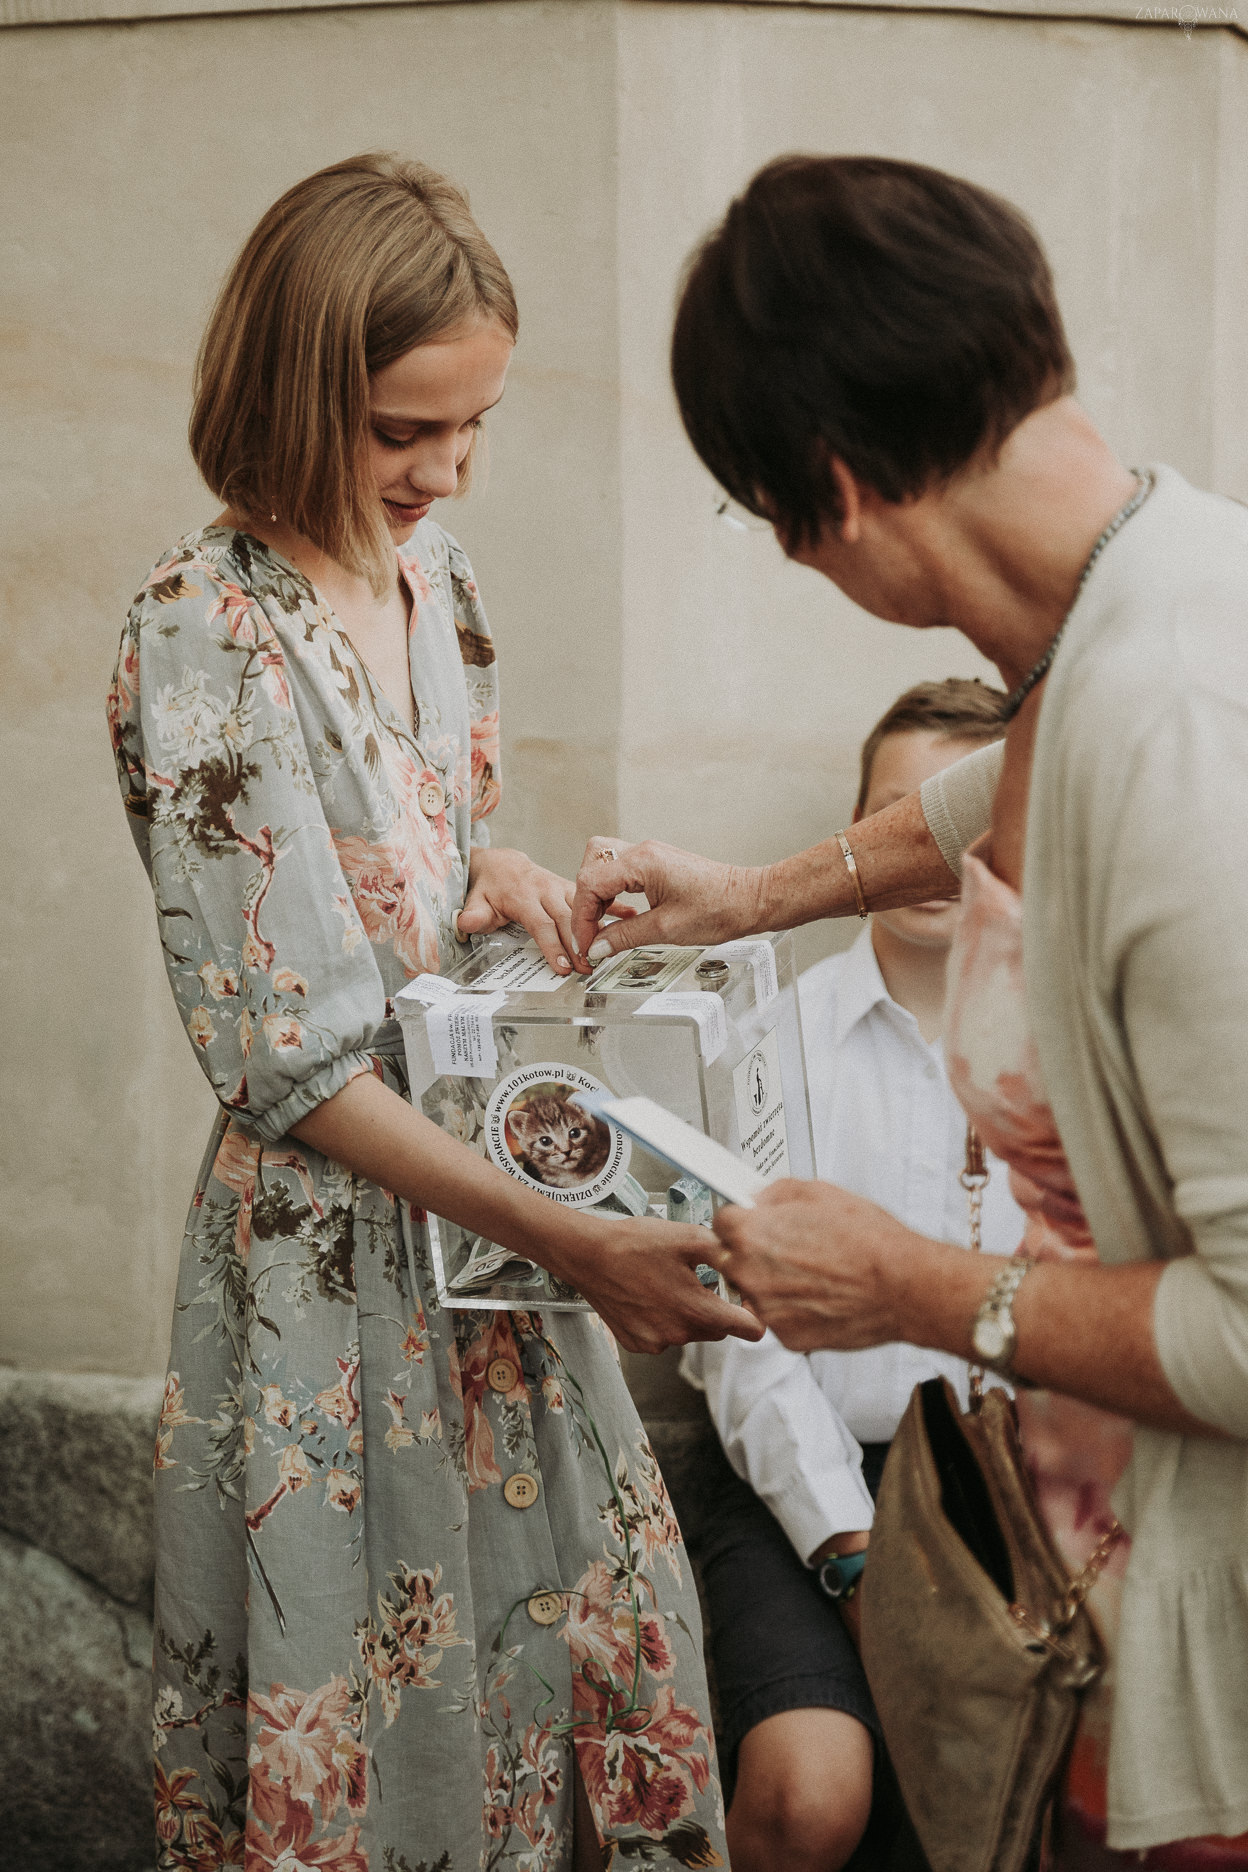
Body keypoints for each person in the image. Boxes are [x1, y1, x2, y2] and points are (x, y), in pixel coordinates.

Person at [570, 156, 1248, 1861]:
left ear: (837, 494)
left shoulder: (1172, 732)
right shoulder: (1134, 586)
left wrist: (906, 1285)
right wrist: (749, 893)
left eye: (764, 521)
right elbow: (990, 781)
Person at [108, 153, 760, 1872]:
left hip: (493, 1246)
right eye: (405, 430)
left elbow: (402, 867)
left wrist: (498, 884)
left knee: (581, 1675)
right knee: (388, 1732)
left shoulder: (438, 584)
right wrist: (573, 1236)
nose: (444, 470)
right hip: (336, 1278)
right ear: (294, 386)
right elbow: (288, 1056)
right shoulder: (199, 630)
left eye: (471, 428)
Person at [681, 680, 1024, 1872]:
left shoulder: (1067, 1046)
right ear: (861, 841)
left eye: (961, 825)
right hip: (805, 1481)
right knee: (808, 1793)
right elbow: (732, 1330)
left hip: (1021, 1489)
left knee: (1018, 1796)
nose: (929, 859)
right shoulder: (771, 1039)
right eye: (899, 822)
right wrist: (849, 1546)